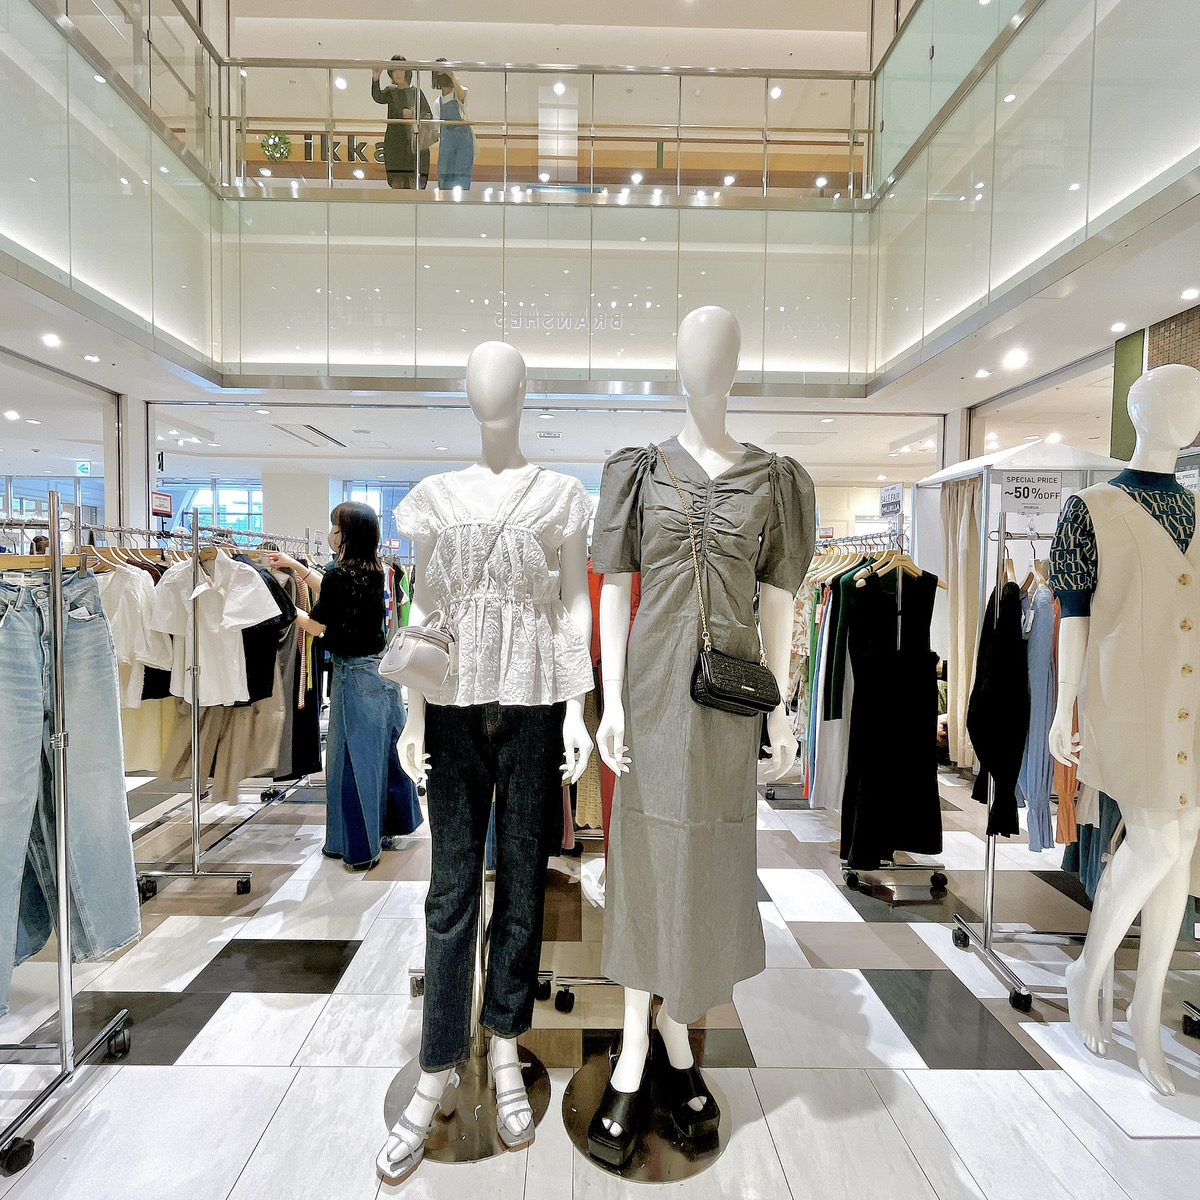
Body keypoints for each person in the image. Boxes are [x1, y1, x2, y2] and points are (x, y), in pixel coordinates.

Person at [269, 502, 421, 870]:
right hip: (381, 675)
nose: (331, 534)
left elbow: (318, 626)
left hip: (352, 676)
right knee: (382, 756)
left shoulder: (341, 575)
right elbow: (333, 588)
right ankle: (389, 827)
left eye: (335, 528)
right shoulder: (376, 570)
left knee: (350, 762)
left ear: (346, 535)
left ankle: (359, 849)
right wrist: (295, 567)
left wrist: (282, 602)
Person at [371, 55, 432, 190]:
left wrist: (414, 115)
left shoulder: (416, 92)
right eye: (394, 70)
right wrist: (376, 78)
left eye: (401, 69)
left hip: (413, 146)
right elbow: (378, 97)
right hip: (395, 144)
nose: (398, 73)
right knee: (397, 184)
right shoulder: (391, 91)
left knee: (414, 185)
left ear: (407, 71)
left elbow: (428, 116)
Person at [431, 59, 474, 190]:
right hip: (447, 143)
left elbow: (462, 96)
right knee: (445, 173)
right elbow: (436, 129)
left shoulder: (461, 92)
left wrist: (452, 75)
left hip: (463, 142)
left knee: (462, 174)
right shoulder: (437, 102)